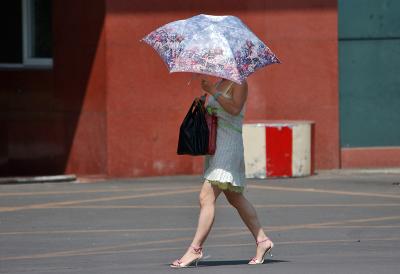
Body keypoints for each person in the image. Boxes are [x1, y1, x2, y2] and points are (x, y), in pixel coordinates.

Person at [170, 76, 274, 268]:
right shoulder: (219, 83)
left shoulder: (240, 83)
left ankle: (195, 249)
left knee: (205, 197)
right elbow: (217, 113)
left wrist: (212, 91)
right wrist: (203, 106)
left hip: (228, 146)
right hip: (216, 146)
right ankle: (262, 240)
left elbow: (234, 109)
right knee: (235, 198)